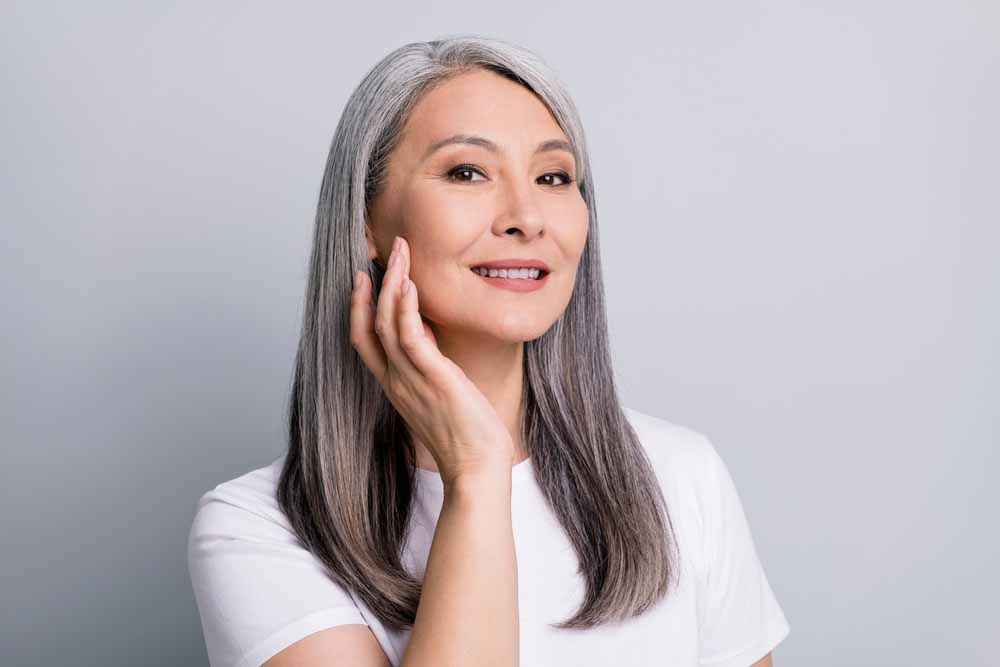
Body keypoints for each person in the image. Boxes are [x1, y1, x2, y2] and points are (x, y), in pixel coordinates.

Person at [187, 34, 791, 667]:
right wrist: (475, 476)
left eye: (554, 176)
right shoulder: (256, 528)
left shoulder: (680, 476)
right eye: (467, 172)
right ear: (365, 219)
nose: (527, 217)